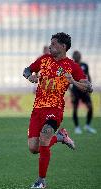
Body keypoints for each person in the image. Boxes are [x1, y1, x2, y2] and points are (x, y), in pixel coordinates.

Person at [23, 32, 93, 188]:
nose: (50, 46)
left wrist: (73, 81)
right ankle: (61, 137)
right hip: (37, 109)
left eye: (53, 43)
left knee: (45, 137)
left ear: (63, 46)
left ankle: (41, 181)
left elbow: (89, 87)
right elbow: (26, 70)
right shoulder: (43, 60)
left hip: (55, 109)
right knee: (34, 148)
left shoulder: (72, 66)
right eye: (50, 43)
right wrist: (30, 77)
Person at [70, 50, 96, 134]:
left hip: (84, 90)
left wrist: (89, 87)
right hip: (75, 91)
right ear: (74, 57)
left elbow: (88, 76)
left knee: (90, 107)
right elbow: (67, 80)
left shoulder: (85, 65)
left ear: (80, 56)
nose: (77, 56)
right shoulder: (71, 66)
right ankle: (77, 127)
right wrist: (71, 92)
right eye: (76, 55)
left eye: (78, 55)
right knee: (75, 109)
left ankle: (87, 126)